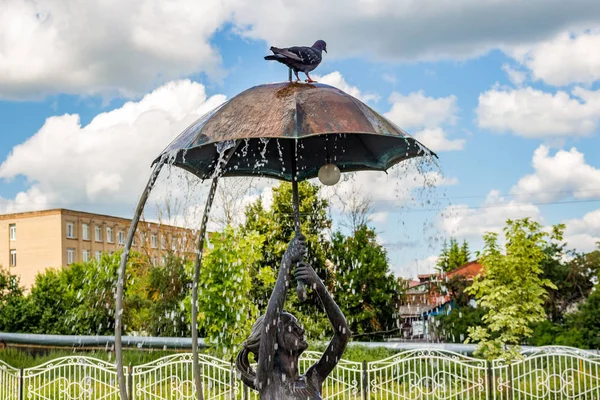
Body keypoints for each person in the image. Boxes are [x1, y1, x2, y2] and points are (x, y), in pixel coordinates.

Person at [236, 234, 351, 399]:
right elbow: (270, 320)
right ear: (273, 339)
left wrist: (319, 286)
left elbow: (343, 334)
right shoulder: (267, 379)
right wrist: (286, 262)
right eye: (291, 326)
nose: (300, 329)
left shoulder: (313, 378)